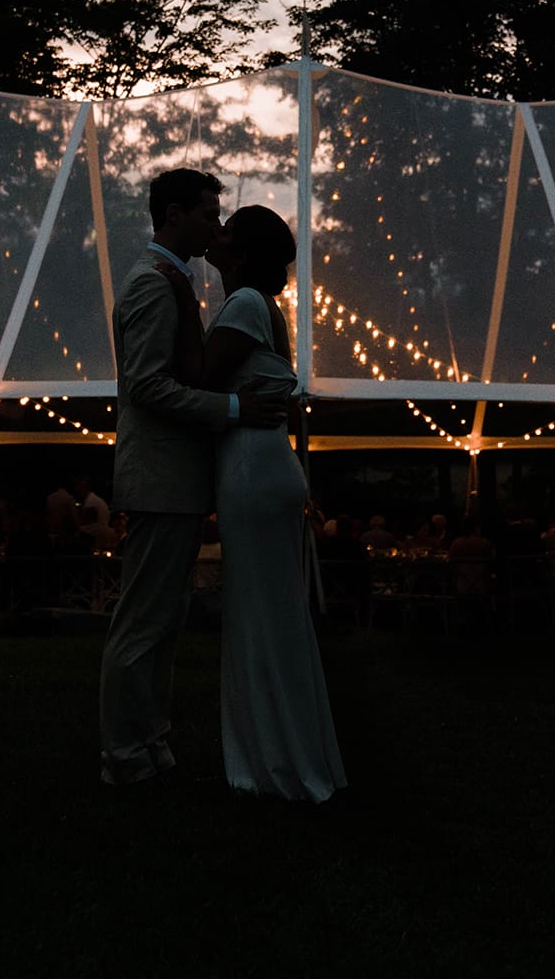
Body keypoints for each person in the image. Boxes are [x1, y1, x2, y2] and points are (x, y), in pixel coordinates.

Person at [97, 168, 291, 788]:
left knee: (165, 619)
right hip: (159, 476)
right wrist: (235, 409)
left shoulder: (174, 282)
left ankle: (151, 740)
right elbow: (149, 387)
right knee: (143, 621)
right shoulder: (155, 285)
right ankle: (125, 752)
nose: (217, 225)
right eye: (209, 214)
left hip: (175, 478)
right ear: (174, 214)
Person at [202, 203, 346, 802]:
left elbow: (199, 383)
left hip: (251, 469)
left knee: (260, 616)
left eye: (228, 228)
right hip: (270, 465)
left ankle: (275, 764)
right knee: (276, 614)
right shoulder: (266, 308)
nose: (218, 232)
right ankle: (288, 752)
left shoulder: (242, 305)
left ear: (241, 252)